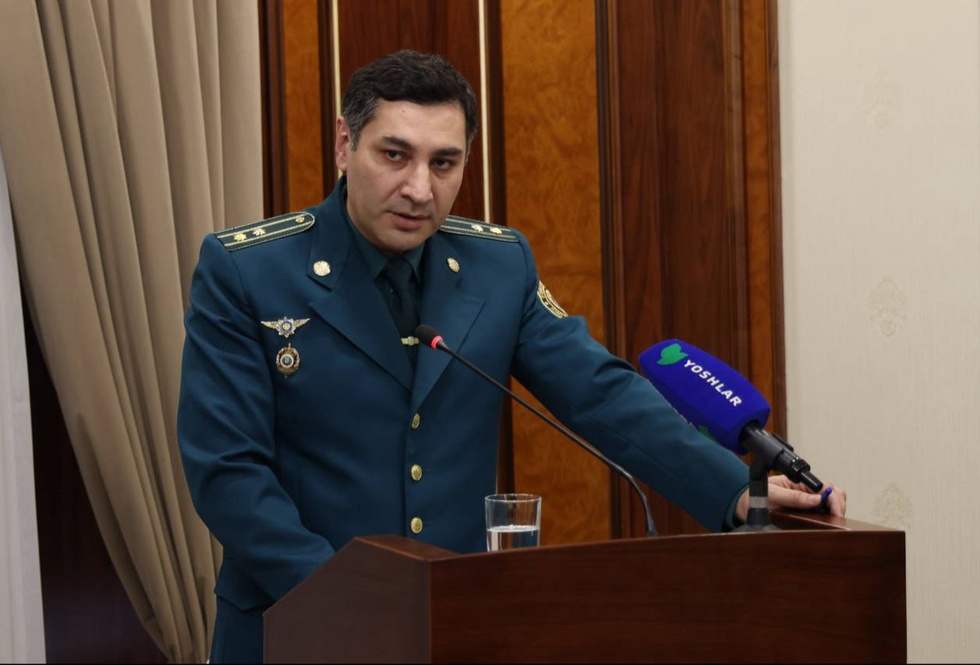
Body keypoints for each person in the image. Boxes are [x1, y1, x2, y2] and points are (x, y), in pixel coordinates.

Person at [177, 49, 846, 663]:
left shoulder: (498, 265)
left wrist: (732, 488)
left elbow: (600, 391)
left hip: (455, 625)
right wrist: (343, 597)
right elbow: (227, 469)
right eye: (395, 155)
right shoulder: (249, 271)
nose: (419, 188)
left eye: (444, 163)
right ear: (344, 145)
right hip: (295, 625)